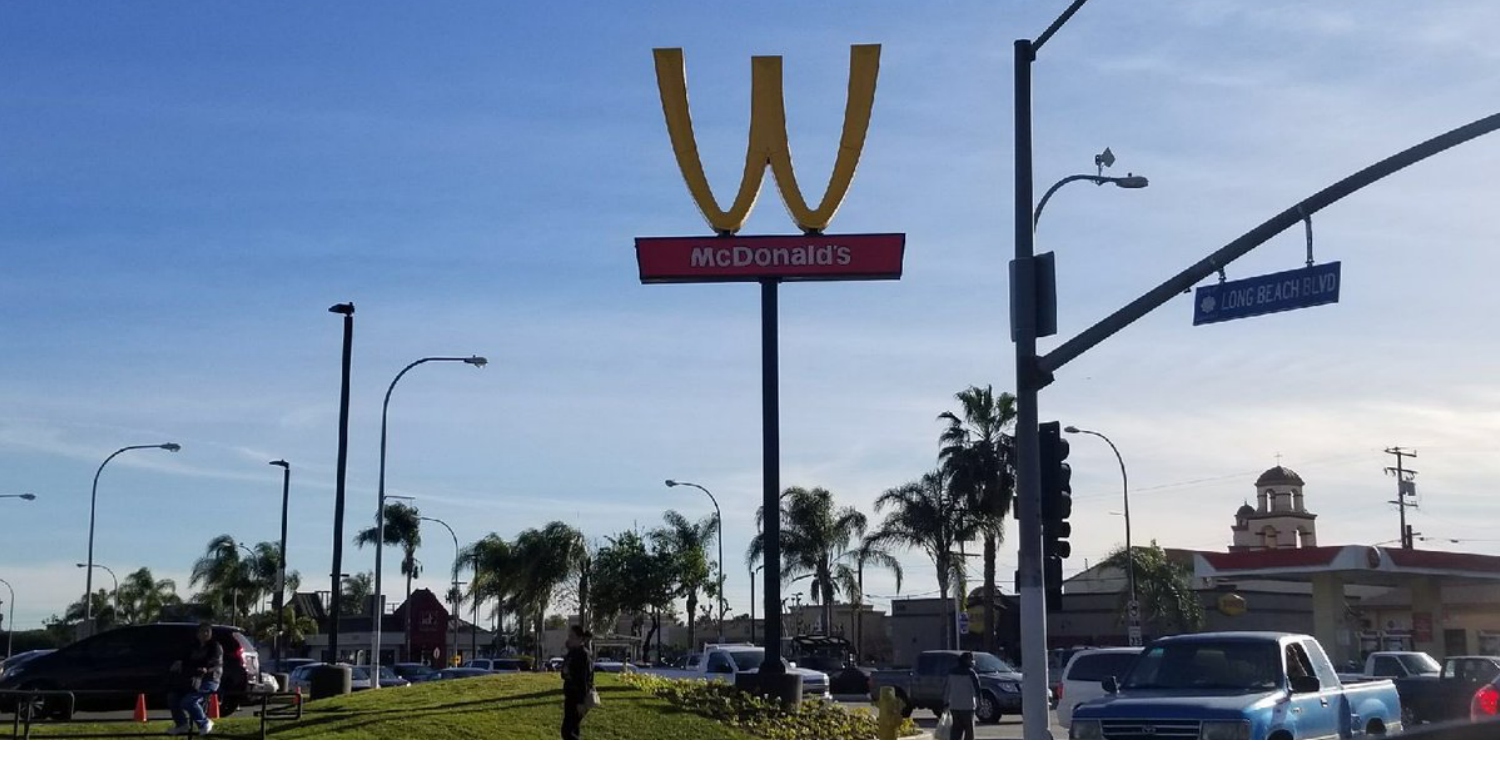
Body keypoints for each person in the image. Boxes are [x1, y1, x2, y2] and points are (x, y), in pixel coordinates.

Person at [167, 622, 223, 736]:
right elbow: (184, 658)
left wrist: (206, 668)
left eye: (208, 631)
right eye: (202, 631)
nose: (205, 633)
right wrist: (179, 663)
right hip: (193, 679)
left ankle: (205, 723)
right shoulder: (193, 646)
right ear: (197, 634)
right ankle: (182, 724)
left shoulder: (215, 646)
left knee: (188, 701)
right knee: (173, 697)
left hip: (210, 680)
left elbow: (215, 663)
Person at [560, 624, 595, 740]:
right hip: (569, 696)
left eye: (572, 637)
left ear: (580, 639)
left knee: (568, 731)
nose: (569, 639)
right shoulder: (571, 653)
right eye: (569, 636)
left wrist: (580, 702)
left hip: (577, 697)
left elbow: (583, 679)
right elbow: (564, 673)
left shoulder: (583, 655)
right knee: (572, 729)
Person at [941, 651, 982, 740]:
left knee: (956, 731)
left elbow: (947, 689)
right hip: (968, 707)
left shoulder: (951, 673)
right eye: (972, 660)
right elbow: (977, 690)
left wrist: (946, 702)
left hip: (954, 706)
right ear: (968, 661)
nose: (973, 662)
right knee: (969, 732)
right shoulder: (971, 674)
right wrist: (979, 703)